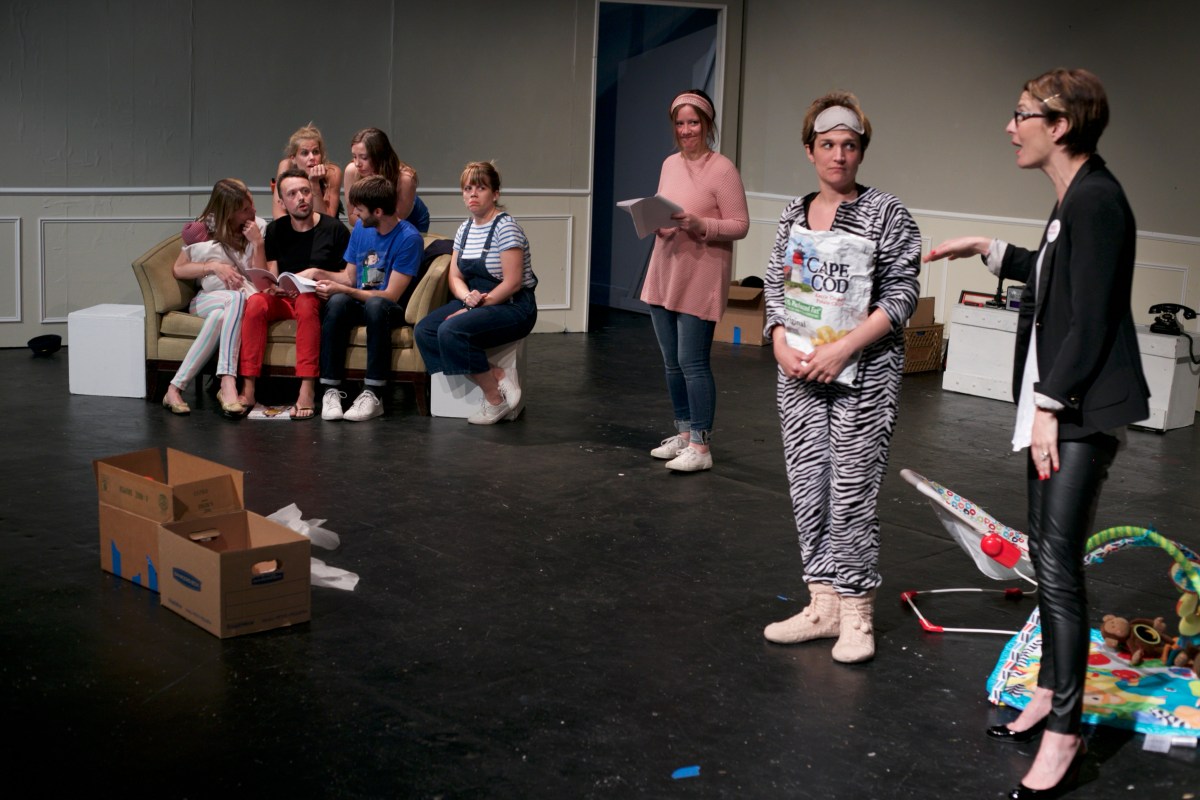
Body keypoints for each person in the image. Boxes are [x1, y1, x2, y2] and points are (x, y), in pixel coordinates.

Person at [925, 68, 1149, 798]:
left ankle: (1065, 733)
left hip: (1076, 412)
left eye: (1022, 114)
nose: (1010, 126)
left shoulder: (1097, 200)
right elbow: (1055, 273)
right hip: (1056, 407)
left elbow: (1093, 315)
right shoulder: (1073, 197)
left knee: (1058, 569)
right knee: (1049, 561)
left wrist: (1051, 405)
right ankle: (1051, 692)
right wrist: (987, 248)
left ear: (1061, 124)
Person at [761, 92, 921, 664]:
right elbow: (776, 286)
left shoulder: (887, 213)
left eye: (849, 145)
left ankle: (856, 611)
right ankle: (823, 603)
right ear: (810, 150)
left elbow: (902, 294)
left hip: (865, 373)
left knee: (851, 488)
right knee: (808, 483)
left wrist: (845, 348)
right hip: (800, 372)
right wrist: (778, 341)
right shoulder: (793, 213)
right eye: (827, 144)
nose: (838, 155)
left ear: (861, 151)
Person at [641, 88, 749, 472]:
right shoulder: (669, 164)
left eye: (694, 122)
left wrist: (702, 224)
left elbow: (740, 225)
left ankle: (701, 447)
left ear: (707, 124)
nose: (687, 130)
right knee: (672, 363)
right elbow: (664, 206)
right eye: (680, 123)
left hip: (700, 275)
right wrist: (656, 222)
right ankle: (684, 434)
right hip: (665, 269)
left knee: (693, 362)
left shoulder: (722, 169)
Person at [415, 161, 537, 424]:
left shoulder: (506, 227)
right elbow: (455, 276)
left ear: (495, 193)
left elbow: (513, 283)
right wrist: (465, 297)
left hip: (512, 305)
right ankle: (497, 375)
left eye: (481, 188)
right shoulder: (465, 229)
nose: (472, 194)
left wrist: (474, 307)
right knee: (425, 331)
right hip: (475, 299)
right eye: (467, 188)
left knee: (451, 330)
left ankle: (494, 400)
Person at [303, 175, 423, 422]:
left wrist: (344, 290)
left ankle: (374, 393)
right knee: (337, 302)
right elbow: (349, 278)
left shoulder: (409, 238)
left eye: (359, 208)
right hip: (361, 301)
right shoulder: (361, 228)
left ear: (377, 211)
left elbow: (391, 295)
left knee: (375, 305)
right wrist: (317, 273)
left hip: (389, 308)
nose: (354, 213)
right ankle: (331, 390)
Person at [238, 167, 351, 419]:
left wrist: (319, 274)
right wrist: (272, 283)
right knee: (256, 302)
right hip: (285, 298)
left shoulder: (334, 229)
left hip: (316, 299)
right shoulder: (276, 230)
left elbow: (348, 276)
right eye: (292, 194)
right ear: (282, 201)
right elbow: (270, 274)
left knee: (306, 302)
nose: (301, 198)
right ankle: (248, 389)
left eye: (305, 191)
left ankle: (307, 389)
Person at [161, 178, 267, 418]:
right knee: (233, 299)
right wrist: (213, 267)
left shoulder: (257, 226)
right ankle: (227, 381)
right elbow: (179, 269)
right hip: (206, 300)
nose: (252, 211)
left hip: (233, 301)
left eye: (251, 204)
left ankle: (174, 388)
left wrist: (258, 243)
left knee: (221, 315)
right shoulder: (203, 230)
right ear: (228, 213)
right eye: (245, 209)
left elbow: (261, 279)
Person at [342, 128, 430, 232]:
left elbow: (394, 221)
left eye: (364, 157)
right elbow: (352, 217)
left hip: (409, 218)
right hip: (373, 219)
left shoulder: (405, 178)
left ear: (380, 156)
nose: (357, 163)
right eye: (354, 156)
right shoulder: (352, 171)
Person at [270, 124, 343, 220]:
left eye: (316, 152)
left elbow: (326, 221)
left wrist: (314, 183)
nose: (312, 157)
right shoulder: (286, 166)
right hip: (291, 226)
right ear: (293, 158)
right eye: (305, 153)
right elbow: (278, 214)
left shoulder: (332, 173)